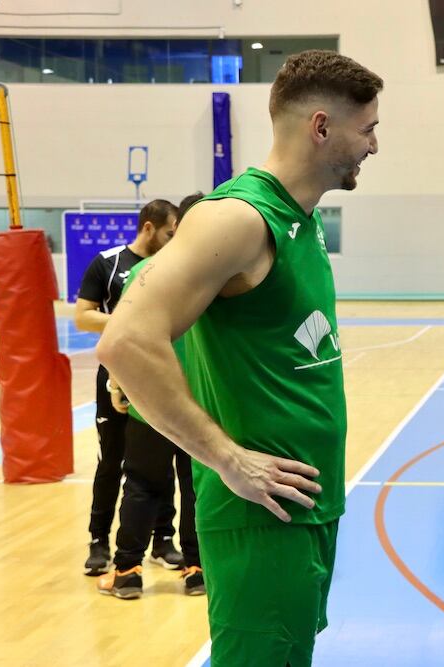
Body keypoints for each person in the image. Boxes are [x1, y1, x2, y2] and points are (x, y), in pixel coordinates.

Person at [98, 50, 381, 665]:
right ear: (321, 127)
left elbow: (180, 323)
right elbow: (124, 340)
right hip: (260, 516)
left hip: (303, 507)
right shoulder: (238, 218)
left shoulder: (296, 221)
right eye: (368, 129)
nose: (375, 146)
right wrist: (226, 458)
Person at [98, 192, 205, 600]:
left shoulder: (146, 271)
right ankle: (197, 569)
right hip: (201, 402)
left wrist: (118, 384)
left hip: (153, 402)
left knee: (142, 484)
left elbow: (125, 337)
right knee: (195, 485)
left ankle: (127, 571)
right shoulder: (225, 275)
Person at [75, 198, 183, 576]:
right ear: (149, 228)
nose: (175, 239)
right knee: (112, 460)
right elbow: (83, 316)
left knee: (161, 461)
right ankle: (98, 541)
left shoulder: (170, 268)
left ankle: (163, 539)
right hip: (116, 377)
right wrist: (130, 322)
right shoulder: (109, 263)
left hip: (157, 376)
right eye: (170, 232)